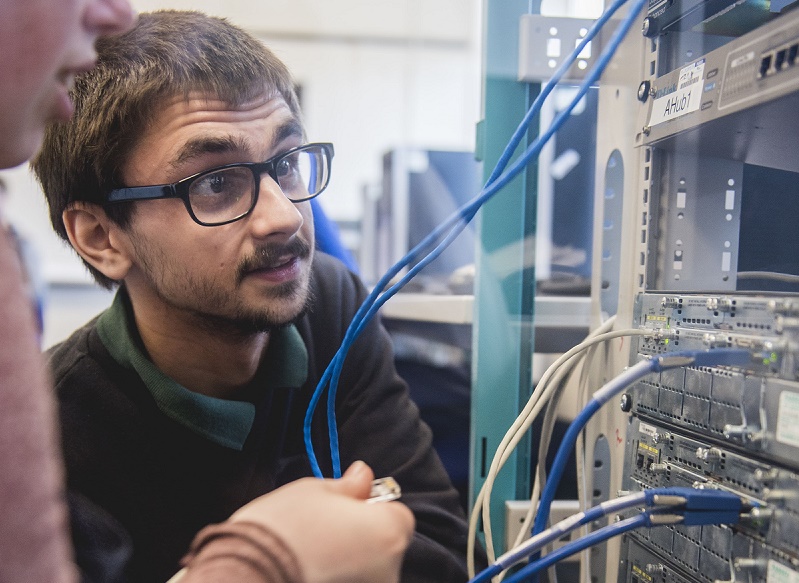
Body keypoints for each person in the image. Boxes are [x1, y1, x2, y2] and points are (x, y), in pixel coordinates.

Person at [33, 9, 481, 583]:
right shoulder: (51, 437)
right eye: (215, 183)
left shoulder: (330, 303)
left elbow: (441, 553)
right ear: (101, 237)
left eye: (287, 163)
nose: (284, 215)